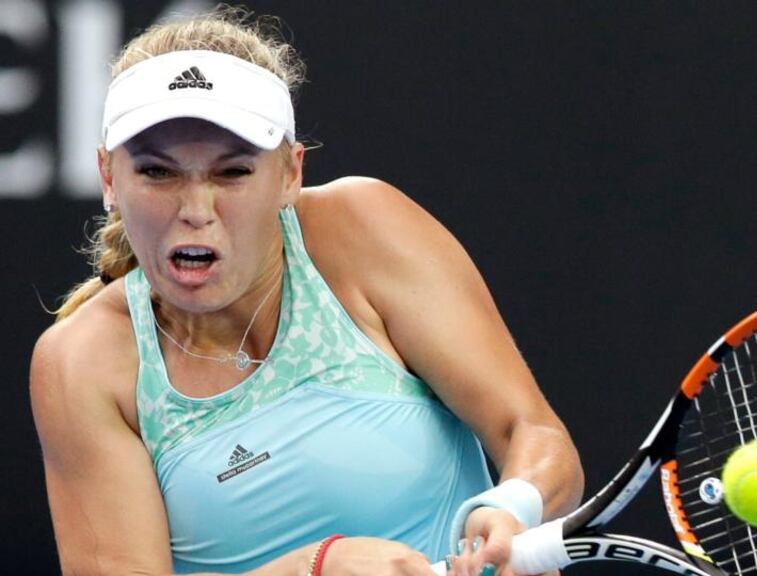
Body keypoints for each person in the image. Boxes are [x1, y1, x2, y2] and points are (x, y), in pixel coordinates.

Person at [29, 7, 583, 576]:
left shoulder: (363, 229)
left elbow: (534, 434)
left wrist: (510, 505)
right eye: (158, 173)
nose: (195, 211)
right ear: (108, 177)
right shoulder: (84, 363)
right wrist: (313, 568)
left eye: (233, 172)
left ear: (290, 174)